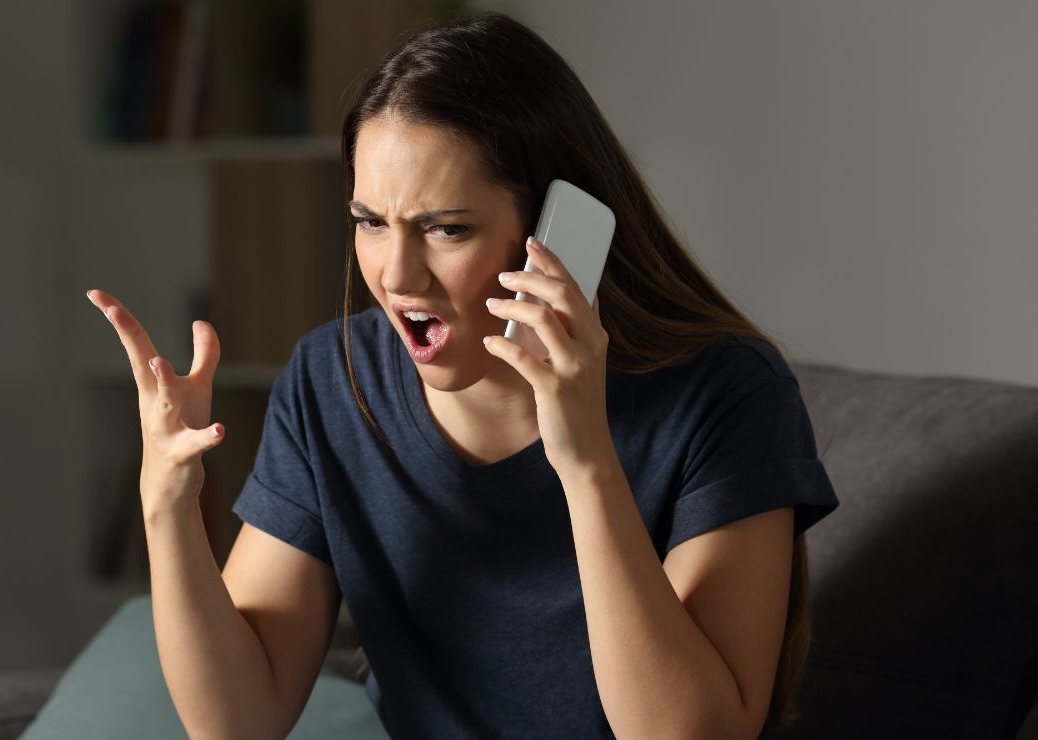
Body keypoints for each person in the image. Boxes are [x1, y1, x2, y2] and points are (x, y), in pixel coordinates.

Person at [86, 10, 840, 740]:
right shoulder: (331, 381)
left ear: (554, 231)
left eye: (447, 228)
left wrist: (583, 460)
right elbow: (235, 723)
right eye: (370, 222)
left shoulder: (727, 394)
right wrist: (168, 507)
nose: (397, 274)